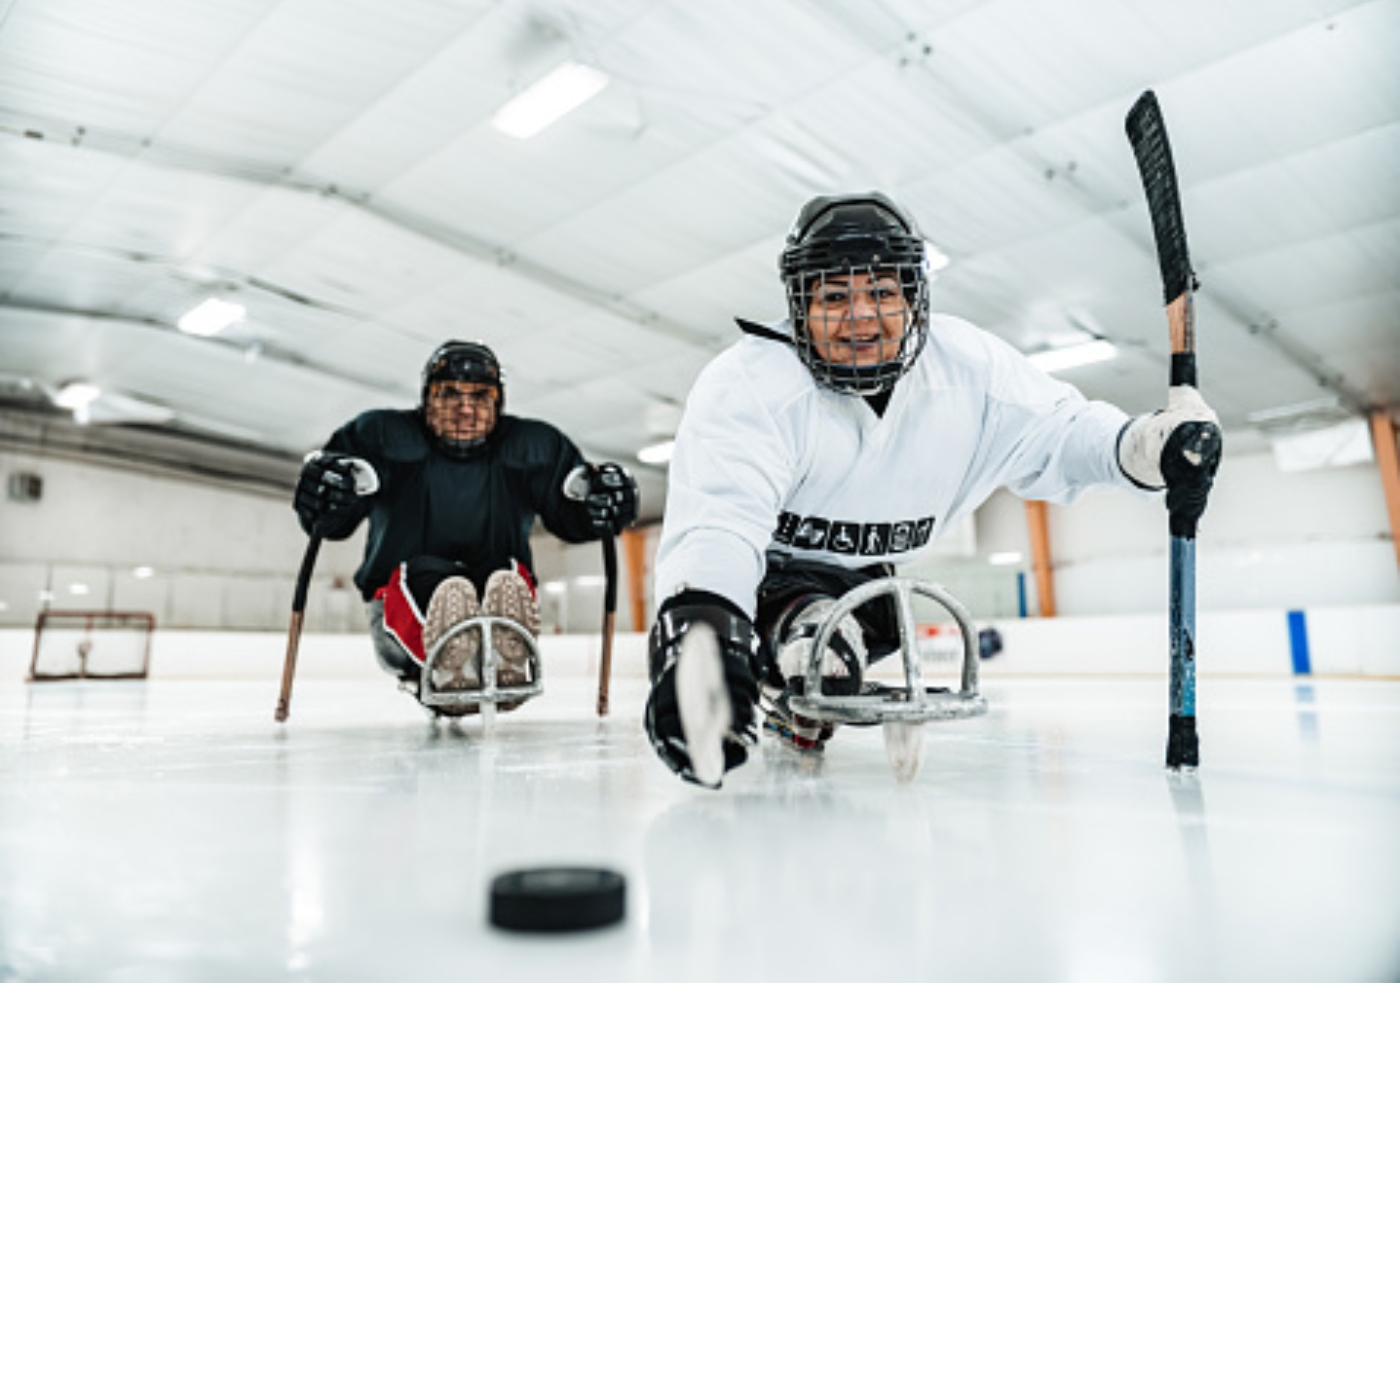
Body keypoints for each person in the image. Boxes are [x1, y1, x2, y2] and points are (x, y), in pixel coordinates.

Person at [644, 191, 1221, 785]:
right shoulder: (751, 385)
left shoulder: (971, 371)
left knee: (852, 638)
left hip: (867, 589)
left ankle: (818, 659)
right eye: (835, 296)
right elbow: (719, 527)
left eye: (883, 293)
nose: (861, 315)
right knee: (818, 638)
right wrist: (705, 644)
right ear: (799, 306)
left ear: (915, 297)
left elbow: (1061, 432)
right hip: (761, 577)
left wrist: (1146, 445)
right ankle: (800, 646)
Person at [294, 340, 638, 710]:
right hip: (396, 604)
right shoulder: (379, 436)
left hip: (495, 586)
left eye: (481, 396)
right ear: (427, 398)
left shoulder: (534, 446)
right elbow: (333, 521)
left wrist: (603, 506)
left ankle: (502, 653)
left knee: (505, 575)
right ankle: (450, 659)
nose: (465, 409)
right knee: (424, 578)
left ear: (498, 402)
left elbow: (571, 517)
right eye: (449, 395)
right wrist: (326, 494)